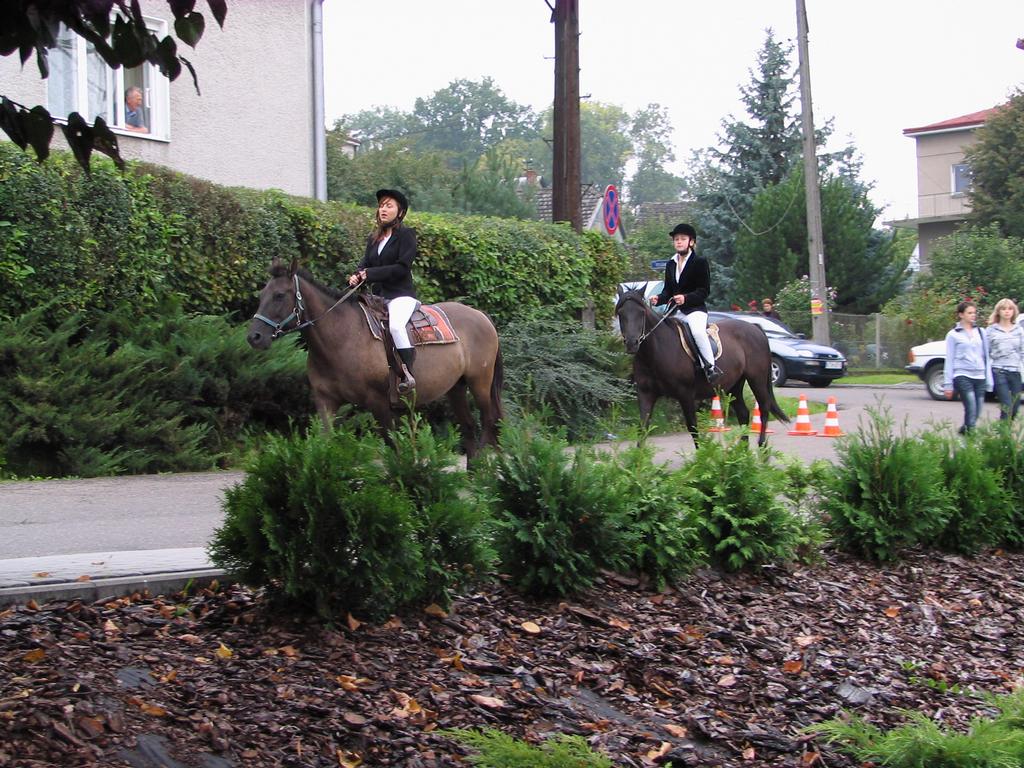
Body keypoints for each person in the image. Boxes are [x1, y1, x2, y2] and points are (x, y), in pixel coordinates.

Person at [348, 189, 419, 393]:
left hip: (400, 296)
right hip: (377, 298)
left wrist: (369, 274)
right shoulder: (374, 239)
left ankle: (408, 374)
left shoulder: (406, 235)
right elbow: (365, 264)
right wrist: (356, 275)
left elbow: (402, 268)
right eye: (381, 206)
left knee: (396, 327)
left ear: (400, 212)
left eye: (389, 206)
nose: (383, 210)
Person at [650, 223, 723, 384]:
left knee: (697, 333)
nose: (679, 242)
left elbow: (704, 291)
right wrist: (658, 299)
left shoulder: (699, 262)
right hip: (675, 311)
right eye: (676, 239)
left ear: (691, 242)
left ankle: (710, 367)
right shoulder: (671, 264)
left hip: (695, 310)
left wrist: (686, 298)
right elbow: (668, 291)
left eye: (683, 239)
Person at [943, 300, 992, 433]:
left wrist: (989, 379)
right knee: (971, 406)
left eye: (974, 313)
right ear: (961, 315)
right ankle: (970, 436)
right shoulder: (953, 334)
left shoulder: (981, 332)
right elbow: (949, 359)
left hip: (980, 375)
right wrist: (948, 384)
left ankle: (964, 430)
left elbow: (986, 357)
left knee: (978, 409)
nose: (973, 315)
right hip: (962, 375)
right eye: (969, 313)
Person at [985, 297, 1024, 421]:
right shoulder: (991, 330)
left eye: (1010, 309)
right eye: (1003, 309)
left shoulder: (1019, 330)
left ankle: (1005, 428)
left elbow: (1022, 351)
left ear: (1014, 311)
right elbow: (986, 352)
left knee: (1015, 407)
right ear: (998, 311)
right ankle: (1004, 431)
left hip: (1015, 371)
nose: (1007, 311)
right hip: (999, 370)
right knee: (1006, 405)